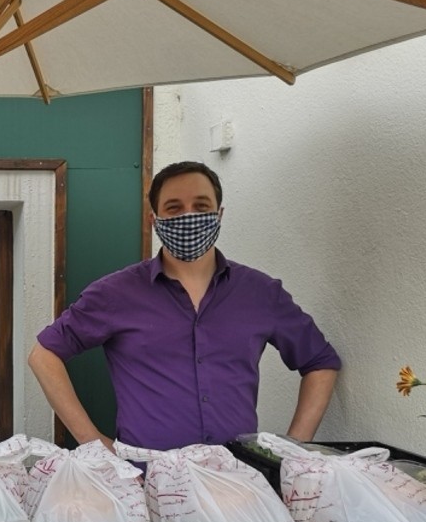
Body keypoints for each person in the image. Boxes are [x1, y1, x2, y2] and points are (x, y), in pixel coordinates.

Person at [28, 160, 340, 451]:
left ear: (219, 214)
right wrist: (93, 442)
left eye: (201, 206)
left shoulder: (261, 294)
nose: (188, 216)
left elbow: (320, 362)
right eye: (174, 208)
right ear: (154, 220)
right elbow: (44, 355)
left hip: (237, 478)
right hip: (146, 478)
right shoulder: (115, 294)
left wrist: (292, 451)